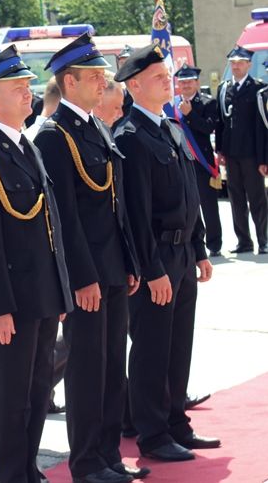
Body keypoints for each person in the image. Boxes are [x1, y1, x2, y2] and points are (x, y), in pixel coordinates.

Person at [0, 45, 73, 483]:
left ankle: (29, 470)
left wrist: (60, 290)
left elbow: (50, 226)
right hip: (15, 300)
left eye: (28, 86)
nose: (30, 94)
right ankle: (12, 474)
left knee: (39, 389)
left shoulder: (28, 147)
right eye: (18, 88)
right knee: (13, 393)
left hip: (43, 292)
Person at [34, 33, 144, 483]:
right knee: (86, 370)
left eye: (104, 76)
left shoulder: (95, 125)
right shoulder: (53, 136)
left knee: (111, 367)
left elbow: (115, 205)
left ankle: (108, 454)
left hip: (114, 267)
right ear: (70, 81)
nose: (104, 83)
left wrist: (131, 261)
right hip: (87, 275)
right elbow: (65, 218)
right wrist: (81, 276)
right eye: (95, 76)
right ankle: (86, 462)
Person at [114, 43, 220, 463]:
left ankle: (177, 422)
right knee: (152, 349)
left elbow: (190, 195)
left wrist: (199, 248)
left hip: (181, 255)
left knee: (178, 346)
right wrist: (152, 269)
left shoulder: (170, 128)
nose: (168, 81)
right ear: (135, 85)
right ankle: (153, 433)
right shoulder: (131, 136)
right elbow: (135, 214)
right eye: (159, 77)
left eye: (167, 75)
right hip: (156, 258)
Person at [215, 45, 268, 254]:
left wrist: (264, 158)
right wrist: (220, 150)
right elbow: (221, 122)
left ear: (248, 64)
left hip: (252, 154)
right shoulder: (224, 88)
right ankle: (243, 241)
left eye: (240, 63)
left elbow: (262, 128)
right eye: (233, 63)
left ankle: (263, 240)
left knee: (257, 199)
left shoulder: (258, 89)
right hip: (231, 153)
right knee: (236, 199)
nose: (236, 67)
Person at [175, 63, 223, 257]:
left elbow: (209, 128)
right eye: (182, 82)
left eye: (189, 82)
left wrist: (190, 115)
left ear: (196, 83)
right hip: (182, 162)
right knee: (189, 208)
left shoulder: (207, 102)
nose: (185, 86)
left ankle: (214, 244)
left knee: (208, 205)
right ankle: (197, 245)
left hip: (202, 161)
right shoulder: (173, 104)